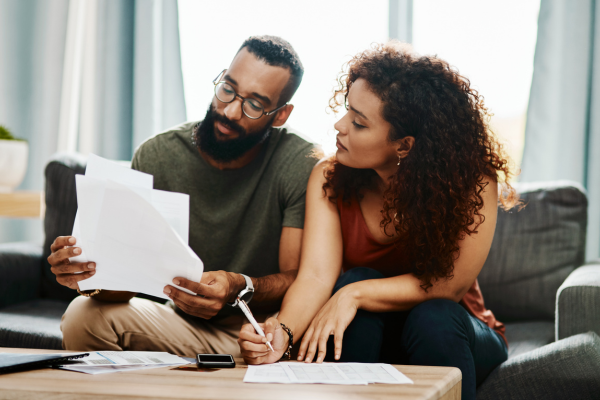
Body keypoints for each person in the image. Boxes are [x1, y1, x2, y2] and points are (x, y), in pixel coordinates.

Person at [238, 42, 519, 400]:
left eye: (358, 122)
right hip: (373, 339)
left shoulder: (474, 182)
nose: (339, 126)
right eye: (346, 111)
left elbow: (448, 286)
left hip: (453, 334)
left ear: (404, 145)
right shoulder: (328, 176)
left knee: (429, 314)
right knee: (356, 280)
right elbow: (316, 276)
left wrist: (353, 294)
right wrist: (282, 332)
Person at [48, 35, 318, 357]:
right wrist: (89, 274)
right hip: (180, 325)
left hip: (259, 332)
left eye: (255, 105)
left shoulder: (299, 163)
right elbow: (123, 288)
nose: (230, 111)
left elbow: (297, 279)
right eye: (228, 88)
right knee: (83, 315)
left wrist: (237, 286)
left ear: (281, 115)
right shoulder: (158, 155)